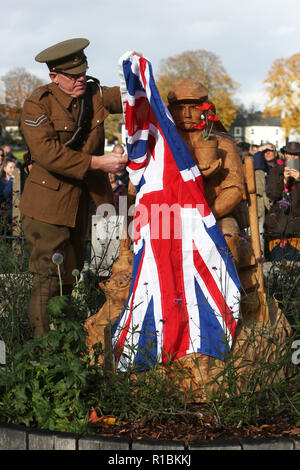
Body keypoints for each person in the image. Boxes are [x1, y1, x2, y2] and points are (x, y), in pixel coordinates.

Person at [19, 38, 129, 337]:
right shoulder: (36, 104)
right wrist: (99, 164)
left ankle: (64, 342)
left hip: (78, 204)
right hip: (47, 206)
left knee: (70, 277)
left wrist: (137, 73)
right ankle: (42, 353)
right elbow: (49, 154)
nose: (80, 79)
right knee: (47, 280)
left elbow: (127, 97)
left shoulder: (92, 94)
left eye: (83, 72)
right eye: (72, 76)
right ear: (54, 76)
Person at [264, 141, 300, 261]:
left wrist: (299, 180)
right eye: (289, 154)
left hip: (297, 230)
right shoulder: (276, 171)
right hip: (277, 229)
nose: (292, 157)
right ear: (284, 155)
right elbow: (272, 195)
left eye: (296, 155)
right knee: (277, 265)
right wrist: (283, 181)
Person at [0, 157, 16, 230]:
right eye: (10, 167)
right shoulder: (2, 182)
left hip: (15, 210)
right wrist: (11, 181)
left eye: (14, 167)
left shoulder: (17, 180)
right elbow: (5, 194)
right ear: (4, 168)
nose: (13, 170)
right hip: (6, 211)